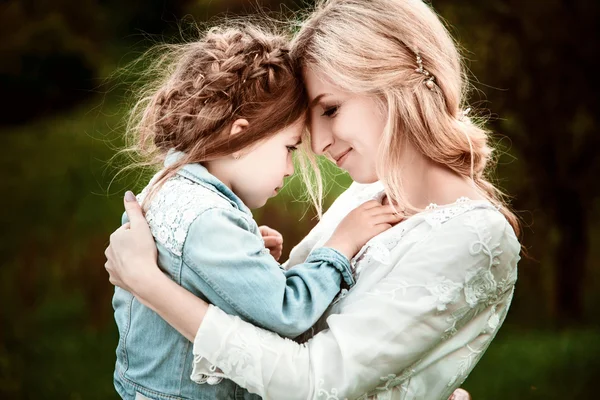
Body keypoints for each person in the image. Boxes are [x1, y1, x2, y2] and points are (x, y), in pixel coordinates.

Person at [105, 0, 521, 398]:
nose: (318, 144)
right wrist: (242, 269)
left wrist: (149, 285)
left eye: (331, 109)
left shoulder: (476, 234)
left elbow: (311, 383)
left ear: (393, 80)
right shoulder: (365, 196)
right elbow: (280, 324)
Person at [110, 24, 401, 400]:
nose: (290, 169)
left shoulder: (170, 189)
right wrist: (341, 244)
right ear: (239, 136)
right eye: (290, 148)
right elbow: (286, 312)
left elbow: (192, 280)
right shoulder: (209, 220)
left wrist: (248, 261)